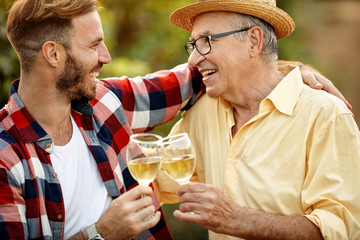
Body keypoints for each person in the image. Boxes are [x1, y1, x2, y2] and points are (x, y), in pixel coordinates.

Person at [0, 0, 348, 239]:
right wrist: (101, 234)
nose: (106, 56)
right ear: (53, 54)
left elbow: (219, 73)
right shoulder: (6, 157)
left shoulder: (105, 101)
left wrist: (291, 73)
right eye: (94, 45)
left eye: (206, 41)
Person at [154, 0, 360, 239]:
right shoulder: (202, 113)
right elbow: (154, 181)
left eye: (206, 42)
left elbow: (342, 228)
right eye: (193, 45)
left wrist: (235, 219)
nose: (192, 60)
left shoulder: (325, 115)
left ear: (253, 41)